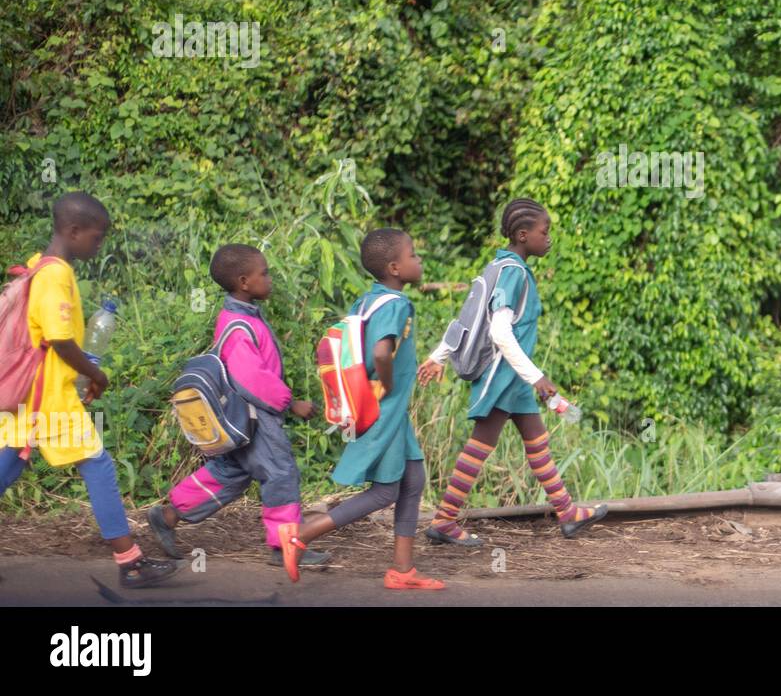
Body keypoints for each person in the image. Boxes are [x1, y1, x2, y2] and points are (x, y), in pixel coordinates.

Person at [0, 192, 177, 588]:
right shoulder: (56, 275)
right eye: (97, 238)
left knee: (9, 464)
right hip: (48, 398)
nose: (99, 246)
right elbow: (61, 340)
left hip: (29, 396)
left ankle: (130, 561)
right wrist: (97, 377)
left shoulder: (38, 267)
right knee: (97, 463)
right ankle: (130, 563)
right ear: (73, 231)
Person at [421, 197, 607, 547]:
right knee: (479, 446)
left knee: (537, 442)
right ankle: (444, 520)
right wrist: (536, 376)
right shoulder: (514, 274)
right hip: (503, 378)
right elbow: (499, 331)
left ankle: (567, 513)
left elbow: (468, 316)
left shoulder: (498, 267)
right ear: (523, 235)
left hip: (514, 380)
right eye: (544, 232)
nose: (549, 238)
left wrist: (439, 355)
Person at [276, 228, 443, 590]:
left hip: (386, 412)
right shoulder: (398, 305)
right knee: (386, 492)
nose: (420, 260)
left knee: (413, 481)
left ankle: (402, 569)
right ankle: (301, 534)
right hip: (384, 409)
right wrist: (388, 383)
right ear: (395, 268)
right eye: (413, 255)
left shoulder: (366, 301)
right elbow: (382, 352)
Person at [148, 244, 330, 570]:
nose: (270, 279)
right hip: (256, 417)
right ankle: (285, 546)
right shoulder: (238, 326)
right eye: (265, 273)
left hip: (244, 417)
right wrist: (291, 403)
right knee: (280, 473)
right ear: (244, 282)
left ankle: (167, 516)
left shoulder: (239, 318)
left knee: (229, 473)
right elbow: (251, 379)